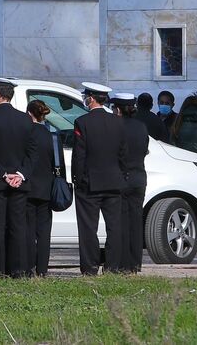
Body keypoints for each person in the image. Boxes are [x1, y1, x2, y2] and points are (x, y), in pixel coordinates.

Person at [0, 78, 37, 277]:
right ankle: (18, 269)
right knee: (18, 226)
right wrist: (20, 175)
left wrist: (3, 174)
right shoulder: (25, 119)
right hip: (19, 184)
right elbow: (32, 153)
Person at [72, 82, 127, 275]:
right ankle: (113, 266)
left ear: (91, 98)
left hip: (90, 183)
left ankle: (90, 266)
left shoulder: (82, 122)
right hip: (114, 181)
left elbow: (80, 155)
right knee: (115, 227)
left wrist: (77, 179)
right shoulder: (118, 122)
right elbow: (123, 154)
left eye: (86, 96)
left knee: (88, 228)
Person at [111, 93, 149, 273]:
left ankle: (122, 262)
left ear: (118, 109)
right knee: (135, 221)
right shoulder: (141, 127)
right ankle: (135, 263)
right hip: (139, 178)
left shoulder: (115, 126)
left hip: (121, 178)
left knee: (121, 222)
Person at [25, 100, 62, 277]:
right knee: (44, 232)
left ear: (29, 113)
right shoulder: (51, 135)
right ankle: (42, 269)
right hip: (47, 187)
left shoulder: (26, 133)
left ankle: (29, 266)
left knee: (28, 230)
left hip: (29, 187)